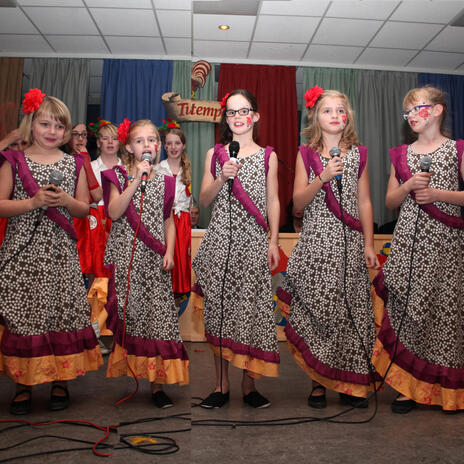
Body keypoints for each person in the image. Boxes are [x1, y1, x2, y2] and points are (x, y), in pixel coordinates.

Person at [0, 89, 103, 415]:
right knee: (26, 319)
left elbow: (84, 208)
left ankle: (61, 381)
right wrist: (31, 203)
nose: (52, 132)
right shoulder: (13, 161)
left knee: (63, 315)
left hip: (60, 257)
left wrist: (65, 202)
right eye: (45, 124)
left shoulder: (74, 163)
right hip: (23, 257)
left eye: (59, 127)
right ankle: (24, 385)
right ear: (31, 125)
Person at [277, 86, 380, 409]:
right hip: (318, 245)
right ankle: (318, 382)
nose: (335, 115)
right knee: (322, 313)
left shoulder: (359, 154)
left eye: (340, 109)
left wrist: (368, 242)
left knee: (352, 314)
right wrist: (321, 177)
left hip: (350, 245)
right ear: (315, 117)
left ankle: (351, 384)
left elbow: (364, 201)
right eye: (327, 110)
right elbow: (297, 206)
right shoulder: (305, 153)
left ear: (347, 116)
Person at [372, 85, 464, 414]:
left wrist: (438, 194)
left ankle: (446, 391)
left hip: (446, 249)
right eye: (407, 111)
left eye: (418, 109)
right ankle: (408, 387)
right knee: (410, 316)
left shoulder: (457, 150)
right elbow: (389, 201)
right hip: (410, 246)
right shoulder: (402, 154)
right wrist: (408, 185)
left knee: (445, 317)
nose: (412, 116)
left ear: (437, 111)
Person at [192, 89, 280, 409]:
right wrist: (221, 177)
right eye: (231, 112)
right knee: (220, 317)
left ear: (255, 116)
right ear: (226, 119)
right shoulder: (216, 154)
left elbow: (273, 200)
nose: (237, 117)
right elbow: (203, 199)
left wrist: (272, 241)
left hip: (253, 245)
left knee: (252, 315)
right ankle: (220, 385)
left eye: (243, 111)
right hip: (220, 246)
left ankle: (249, 385)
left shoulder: (268, 155)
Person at [101, 118, 189, 408]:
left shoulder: (167, 181)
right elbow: (114, 212)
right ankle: (135, 372)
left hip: (154, 263)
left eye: (152, 140)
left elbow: (169, 221)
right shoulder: (116, 174)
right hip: (127, 259)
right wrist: (136, 179)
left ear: (159, 145)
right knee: (133, 317)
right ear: (129, 147)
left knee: (159, 320)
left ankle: (157, 385)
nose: (147, 145)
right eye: (140, 141)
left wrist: (170, 252)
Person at [156, 121, 192, 295]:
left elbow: (190, 203)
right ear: (164, 146)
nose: (173, 147)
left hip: (183, 223)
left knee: (181, 266)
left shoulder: (188, 170)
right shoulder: (158, 169)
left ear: (183, 145)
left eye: (177, 143)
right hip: (164, 221)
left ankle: (178, 305)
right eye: (169, 143)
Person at [0, 129, 30, 246]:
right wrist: (5, 141)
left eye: (24, 143)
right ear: (7, 148)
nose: (20, 148)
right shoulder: (4, 162)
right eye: (14, 144)